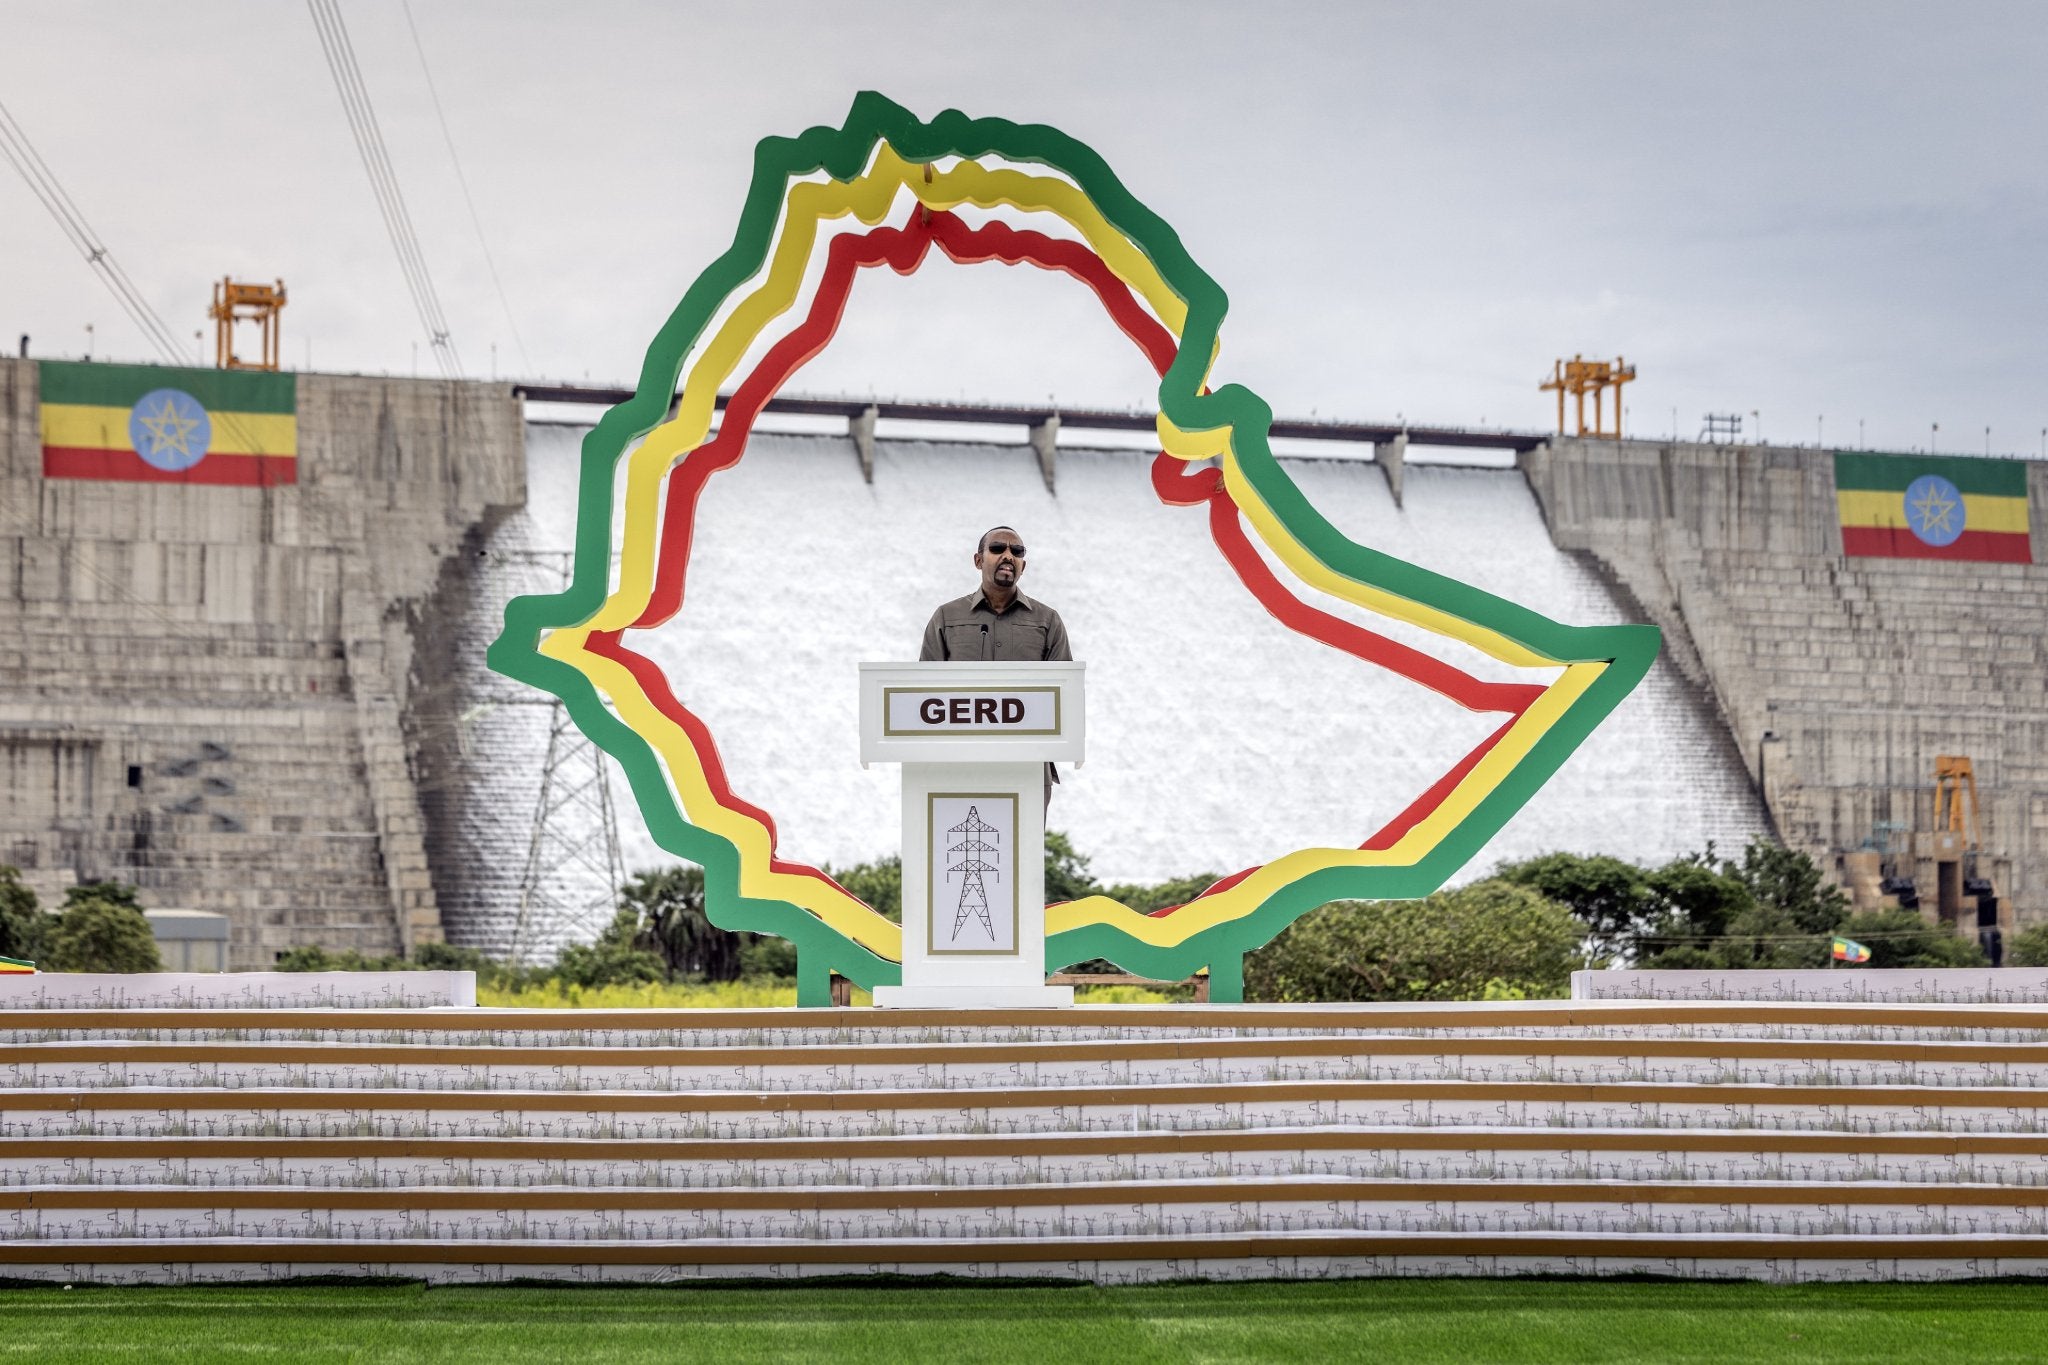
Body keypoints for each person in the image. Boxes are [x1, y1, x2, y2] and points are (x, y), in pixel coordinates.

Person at [919, 525, 1071, 804]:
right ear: (978, 560)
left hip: (1028, 765)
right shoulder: (946, 617)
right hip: (960, 765)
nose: (1008, 556)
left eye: (1017, 551)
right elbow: (925, 692)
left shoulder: (1047, 621)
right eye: (998, 548)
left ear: (1023, 565)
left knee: (1024, 847)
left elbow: (1065, 694)